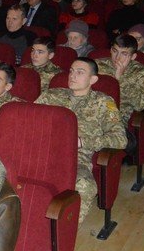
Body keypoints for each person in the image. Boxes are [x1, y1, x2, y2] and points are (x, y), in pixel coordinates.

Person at [35, 58, 127, 221]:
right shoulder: (52, 95)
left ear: (93, 79)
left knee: (85, 186)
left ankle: (66, 231)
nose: (72, 75)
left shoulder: (103, 102)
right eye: (71, 71)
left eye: (80, 72)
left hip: (76, 158)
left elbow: (120, 139)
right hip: (41, 153)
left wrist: (84, 142)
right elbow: (29, 119)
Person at [95, 35, 144, 126]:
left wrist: (121, 79)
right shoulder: (97, 65)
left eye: (124, 54)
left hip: (116, 117)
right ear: (110, 50)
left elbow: (141, 105)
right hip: (92, 111)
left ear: (133, 56)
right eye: (115, 51)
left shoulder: (139, 71)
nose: (117, 57)